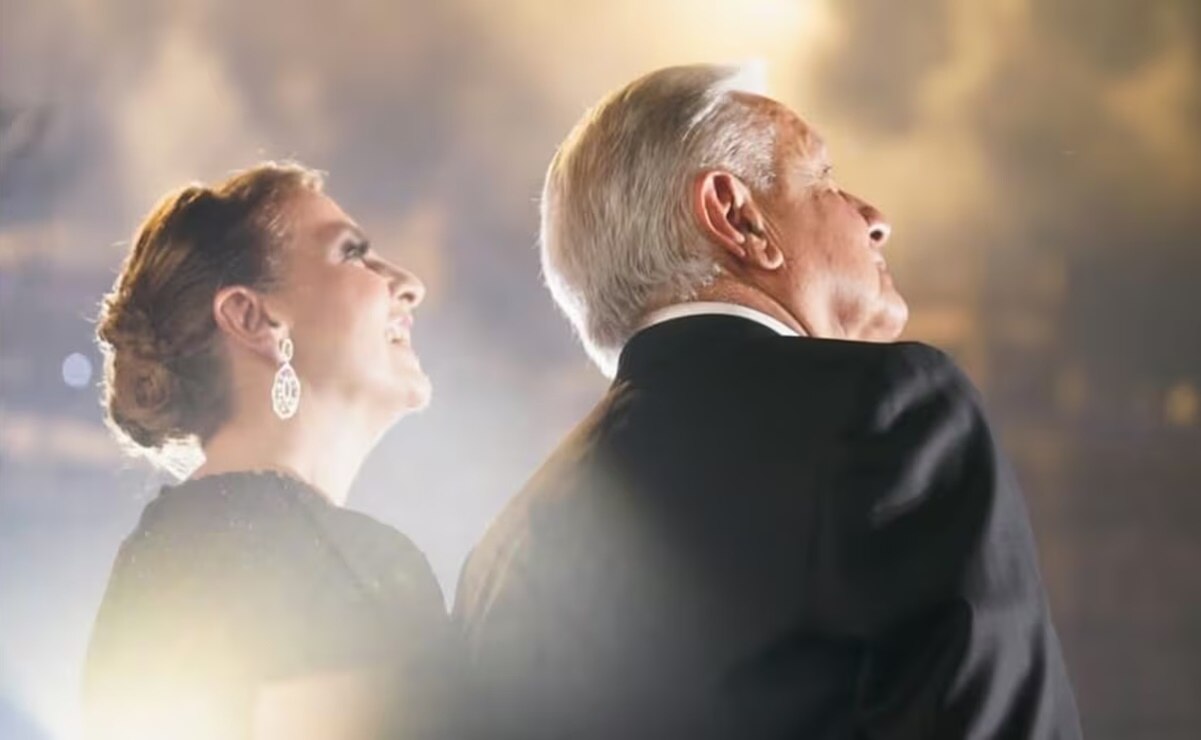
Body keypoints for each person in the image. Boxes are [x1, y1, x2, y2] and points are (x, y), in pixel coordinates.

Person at [453, 64, 1082, 739]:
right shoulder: (886, 409)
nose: (876, 219)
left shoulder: (498, 553)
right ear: (737, 217)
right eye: (823, 181)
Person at [83, 162, 455, 739]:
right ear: (251, 317)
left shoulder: (154, 557)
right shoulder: (350, 568)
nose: (409, 282)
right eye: (352, 254)